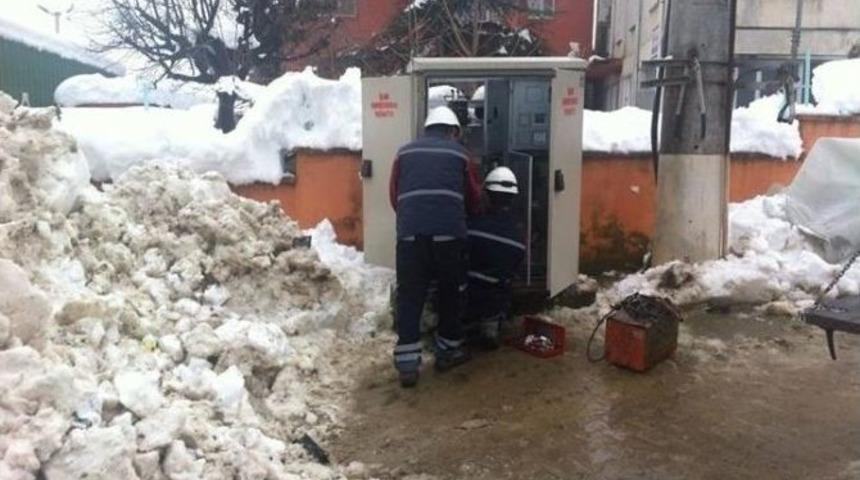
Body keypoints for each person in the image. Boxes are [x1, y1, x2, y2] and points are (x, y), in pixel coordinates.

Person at [389, 106, 482, 388]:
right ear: (453, 131)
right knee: (449, 295)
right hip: (448, 238)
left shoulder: (403, 153)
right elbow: (473, 198)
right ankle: (448, 352)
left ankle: (407, 366)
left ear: (427, 128)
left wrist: (413, 221)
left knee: (410, 297)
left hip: (409, 239)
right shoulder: (459, 154)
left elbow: (395, 197)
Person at [464, 167, 526, 349]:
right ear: (513, 198)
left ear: (486, 195)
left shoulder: (471, 226)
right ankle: (490, 327)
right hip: (495, 298)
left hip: (467, 294)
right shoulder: (518, 237)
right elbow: (514, 270)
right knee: (503, 284)